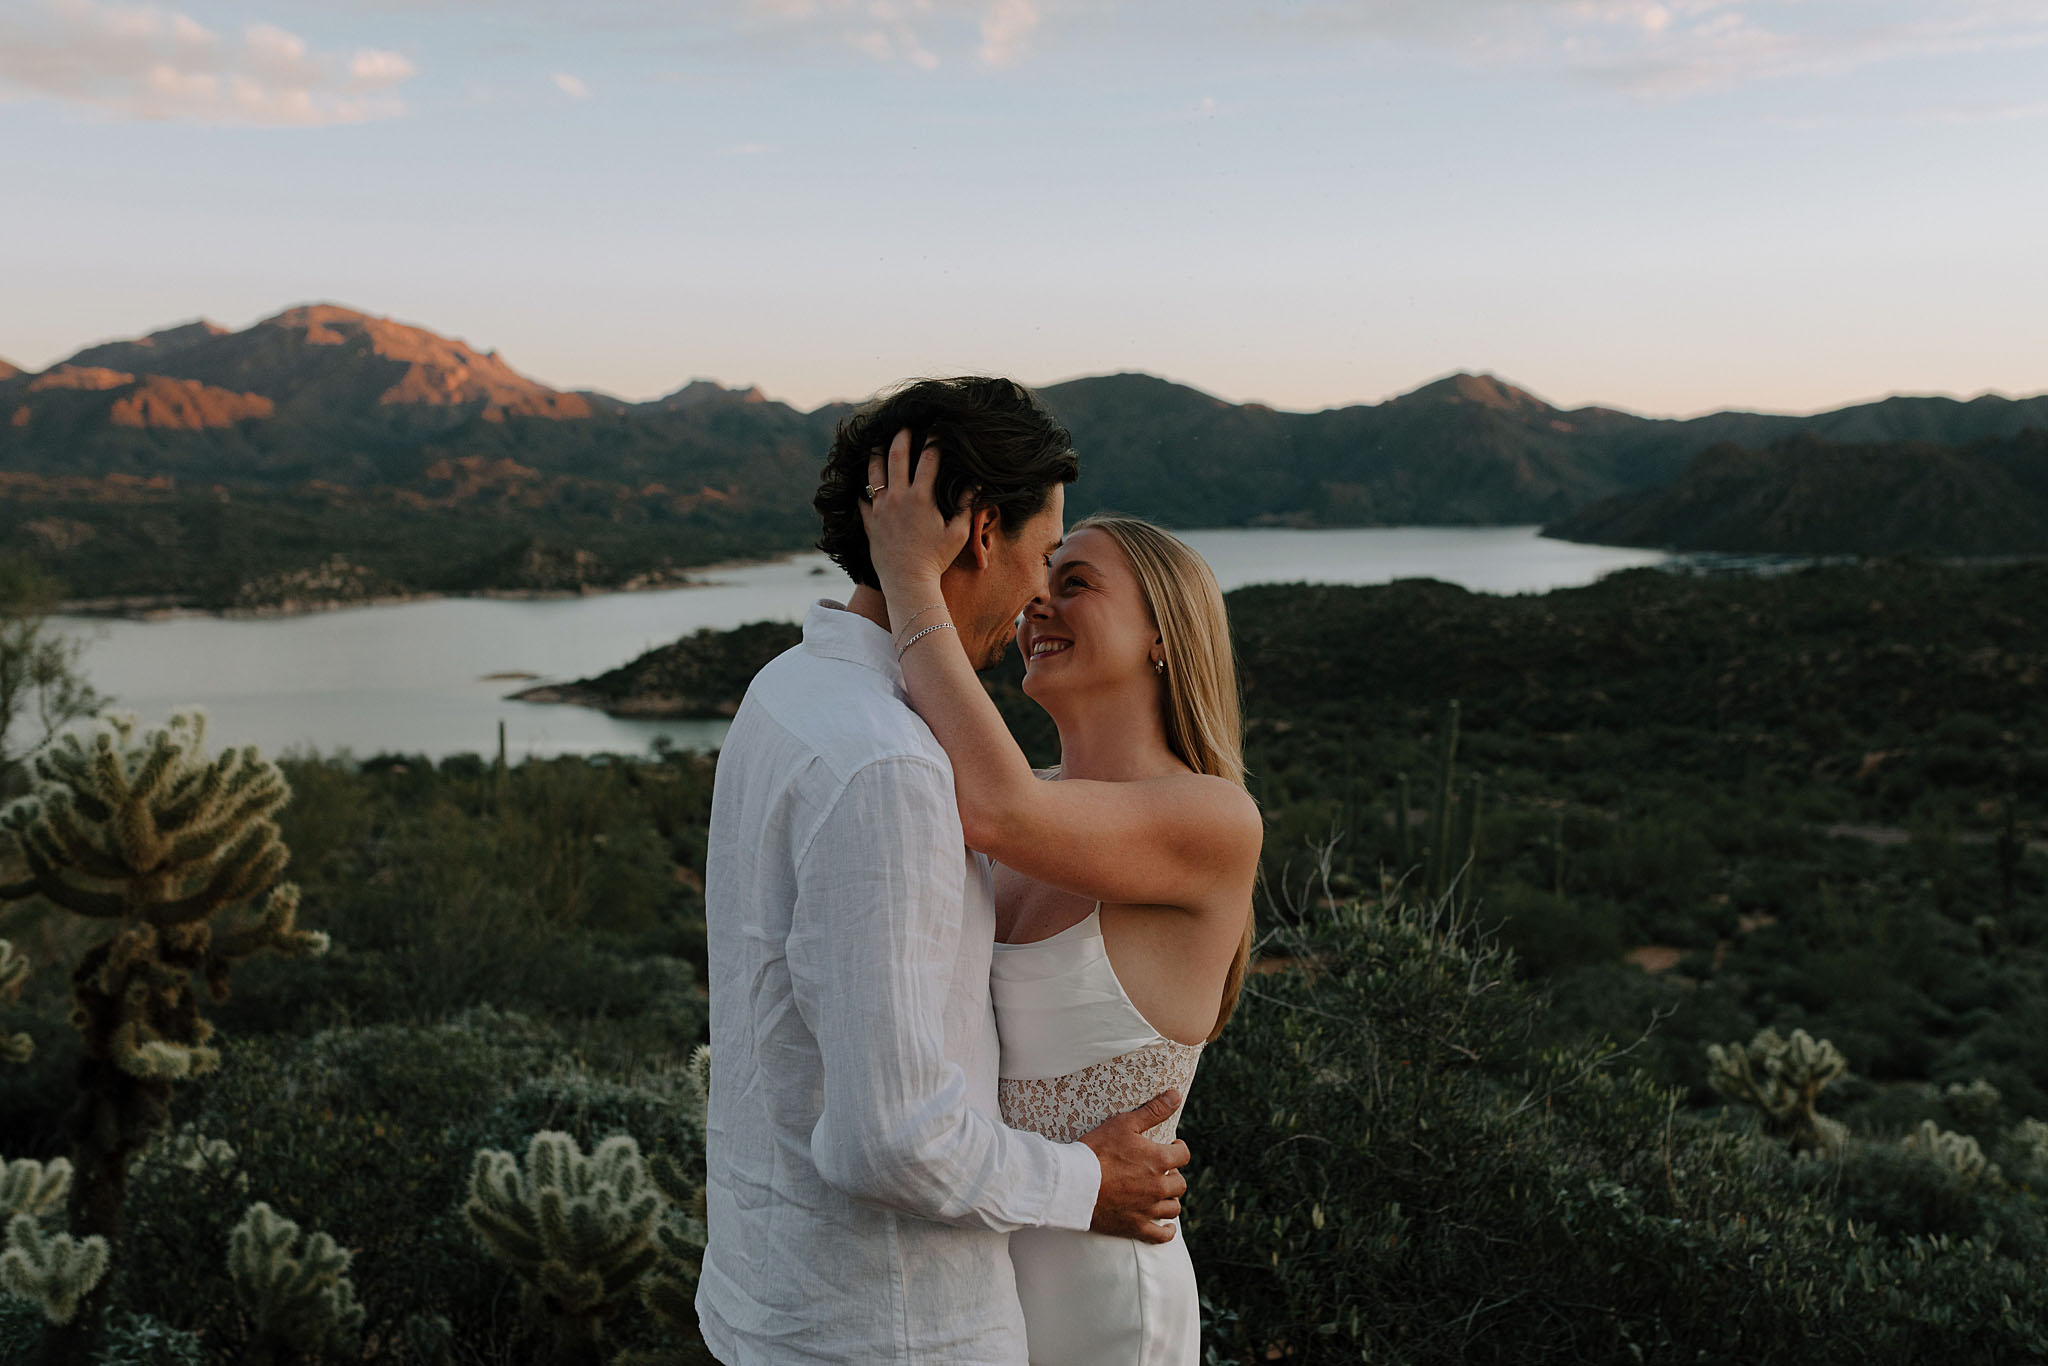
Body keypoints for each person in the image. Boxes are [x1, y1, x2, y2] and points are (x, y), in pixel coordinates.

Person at [695, 377, 1193, 1366]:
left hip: (772, 1297)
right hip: (890, 1327)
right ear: (978, 533)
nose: (1035, 595)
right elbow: (889, 1138)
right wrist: (1084, 1186)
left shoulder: (785, 690)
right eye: (1040, 554)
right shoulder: (889, 766)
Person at [861, 431, 1263, 1365]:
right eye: (1044, 572)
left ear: (1165, 633)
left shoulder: (1212, 820)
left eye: (1075, 582)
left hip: (1102, 1286)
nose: (1038, 597)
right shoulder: (1023, 805)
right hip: (976, 1265)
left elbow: (1001, 809)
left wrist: (912, 571)